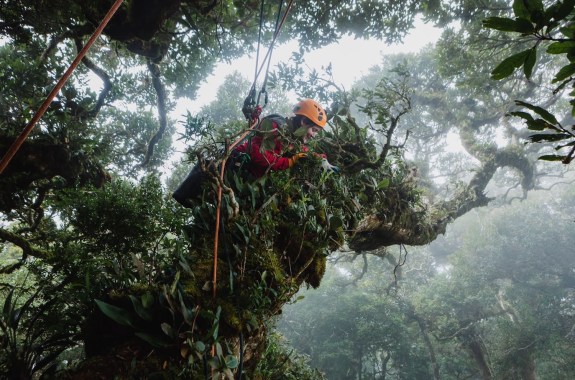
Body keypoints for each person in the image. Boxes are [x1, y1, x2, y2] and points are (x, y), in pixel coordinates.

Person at [232, 98, 339, 179]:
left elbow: (305, 153)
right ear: (304, 122)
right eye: (314, 130)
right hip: (235, 164)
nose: (313, 135)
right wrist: (289, 162)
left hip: (249, 177)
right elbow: (256, 153)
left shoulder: (294, 139)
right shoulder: (276, 126)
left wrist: (322, 160)